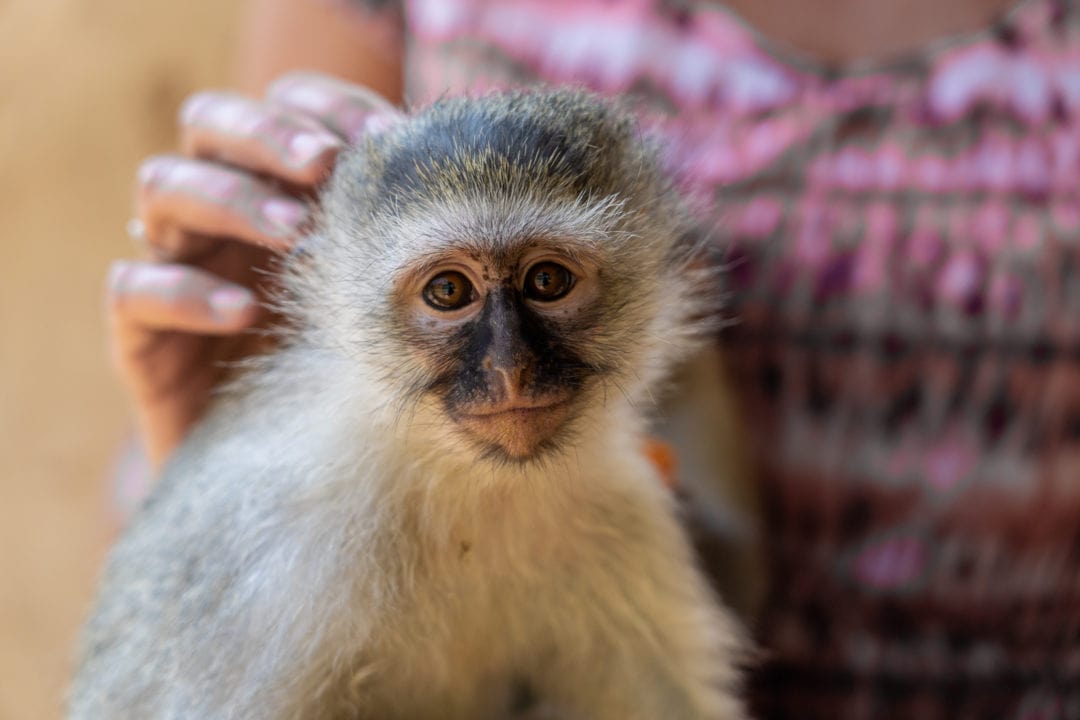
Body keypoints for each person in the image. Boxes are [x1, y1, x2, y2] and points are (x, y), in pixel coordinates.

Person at [107, 0, 1080, 716]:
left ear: (669, 266)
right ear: (334, 306)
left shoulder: (623, 509)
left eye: (548, 285)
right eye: (448, 295)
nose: (512, 371)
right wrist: (204, 471)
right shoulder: (311, 505)